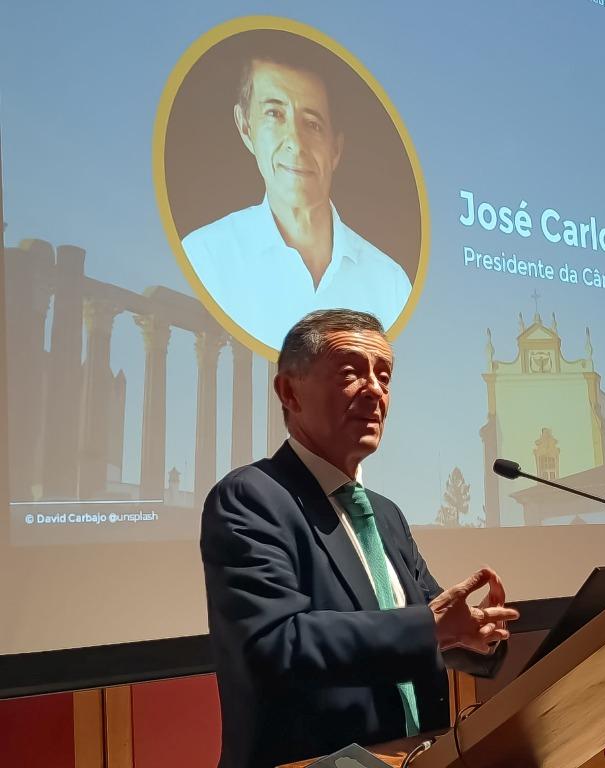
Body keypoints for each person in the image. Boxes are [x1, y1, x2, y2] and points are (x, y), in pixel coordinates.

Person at [201, 309, 518, 768]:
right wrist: (429, 627)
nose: (374, 390)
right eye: (350, 373)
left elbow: (430, 624)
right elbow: (274, 643)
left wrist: (475, 635)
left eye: (384, 377)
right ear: (289, 392)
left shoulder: (386, 515)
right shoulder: (252, 497)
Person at [182, 46, 412, 349]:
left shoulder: (390, 284)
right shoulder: (204, 257)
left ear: (335, 149)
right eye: (275, 114)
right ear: (245, 127)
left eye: (312, 124)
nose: (296, 142)